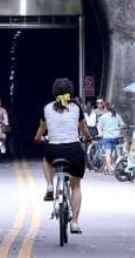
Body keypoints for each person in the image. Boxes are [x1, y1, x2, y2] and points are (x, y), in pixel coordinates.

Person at [34, 78, 91, 235]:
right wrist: (87, 138)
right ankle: (75, 223)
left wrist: (38, 138)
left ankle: (50, 186)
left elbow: (42, 128)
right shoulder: (76, 108)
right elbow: (83, 128)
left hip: (54, 150)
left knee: (46, 160)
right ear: (70, 93)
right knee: (76, 186)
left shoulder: (47, 108)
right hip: (74, 150)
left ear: (54, 93)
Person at [98, 101, 123, 173]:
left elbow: (99, 126)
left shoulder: (103, 117)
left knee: (108, 154)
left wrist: (100, 133)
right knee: (112, 153)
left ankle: (109, 169)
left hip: (107, 137)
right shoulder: (116, 115)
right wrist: (119, 130)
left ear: (105, 108)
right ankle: (108, 166)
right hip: (116, 137)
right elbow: (122, 125)